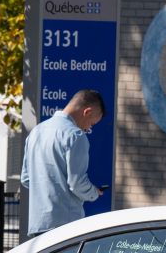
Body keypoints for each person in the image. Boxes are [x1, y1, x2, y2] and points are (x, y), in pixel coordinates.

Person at [20, 89, 104, 237]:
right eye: (91, 123)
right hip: (65, 224)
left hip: (37, 223)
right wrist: (94, 193)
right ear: (87, 112)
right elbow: (77, 183)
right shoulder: (76, 135)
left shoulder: (36, 132)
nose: (88, 128)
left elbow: (26, 179)